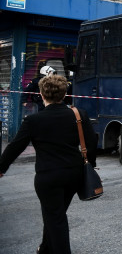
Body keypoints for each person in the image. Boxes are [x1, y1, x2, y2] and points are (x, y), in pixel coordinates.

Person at [0, 74, 97, 254]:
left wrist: (1, 169)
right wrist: (91, 164)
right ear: (64, 94)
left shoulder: (33, 121)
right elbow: (91, 143)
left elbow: (15, 147)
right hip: (74, 175)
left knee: (55, 217)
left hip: (48, 177)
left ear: (42, 94)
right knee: (55, 214)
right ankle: (45, 249)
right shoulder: (78, 114)